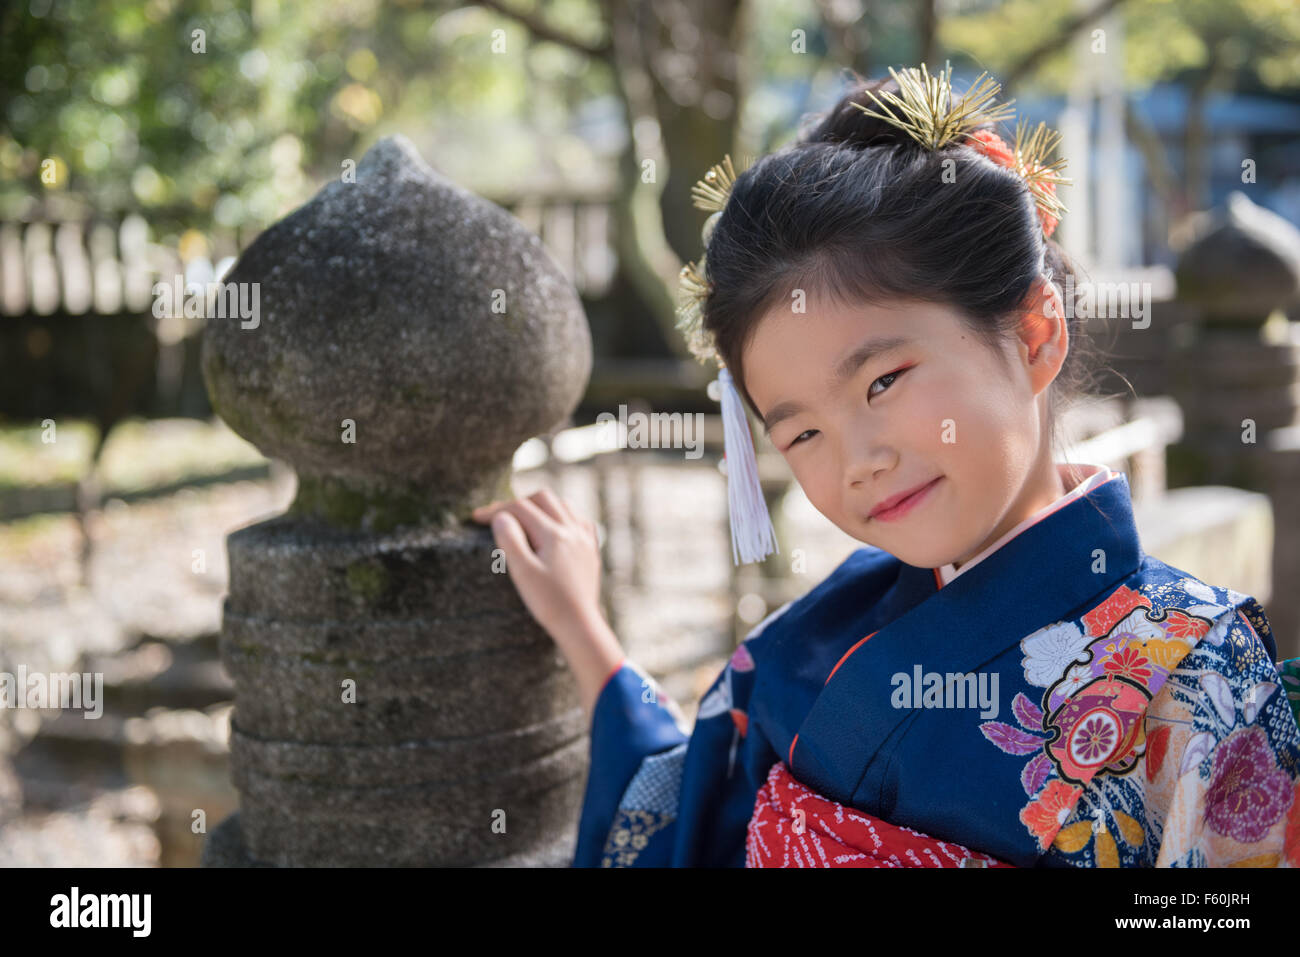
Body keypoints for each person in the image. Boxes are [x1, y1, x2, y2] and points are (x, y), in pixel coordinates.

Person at [471, 64, 1300, 868]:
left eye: (882, 381)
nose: (857, 462)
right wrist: (586, 635)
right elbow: (685, 808)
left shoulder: (1203, 675)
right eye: (801, 435)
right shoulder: (818, 635)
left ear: (1034, 336)